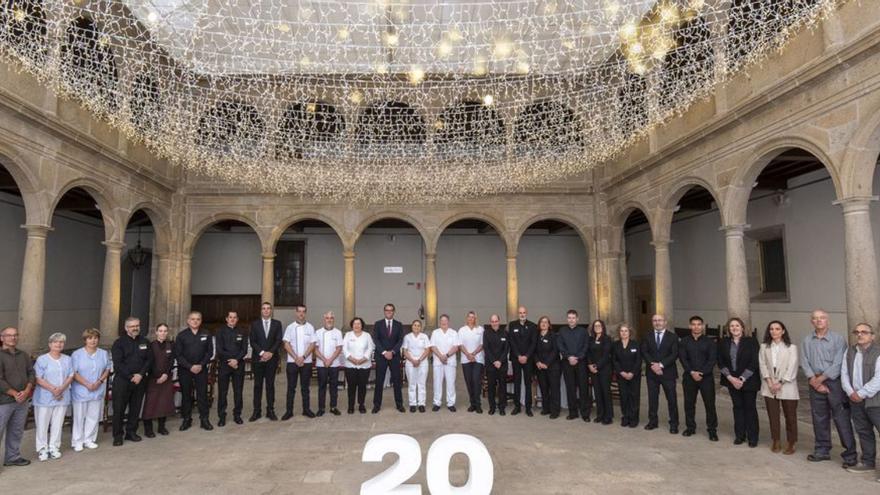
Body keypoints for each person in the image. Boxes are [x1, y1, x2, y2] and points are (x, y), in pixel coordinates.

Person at [801, 309, 857, 466]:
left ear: (828, 321)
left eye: (822, 318)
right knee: (819, 418)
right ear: (812, 321)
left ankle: (850, 455)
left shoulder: (838, 339)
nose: (819, 321)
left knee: (842, 418)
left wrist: (821, 380)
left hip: (834, 382)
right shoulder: (807, 340)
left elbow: (839, 362)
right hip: (814, 382)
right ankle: (822, 450)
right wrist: (814, 380)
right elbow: (804, 361)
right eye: (815, 318)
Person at [841, 322, 880, 480]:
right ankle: (868, 462)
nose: (860, 334)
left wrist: (861, 393)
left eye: (864, 332)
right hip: (855, 400)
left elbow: (878, 379)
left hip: (875, 401)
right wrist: (850, 392)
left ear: (872, 336)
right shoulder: (850, 351)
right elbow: (844, 373)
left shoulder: (878, 353)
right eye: (857, 332)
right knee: (864, 432)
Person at [758, 320, 799, 455]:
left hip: (786, 385)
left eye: (777, 329)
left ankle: (791, 442)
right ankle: (776, 440)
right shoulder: (764, 347)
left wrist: (780, 383)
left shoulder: (791, 347)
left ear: (783, 331)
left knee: (790, 416)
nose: (774, 331)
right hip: (769, 385)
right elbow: (762, 364)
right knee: (773, 415)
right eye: (771, 329)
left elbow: (792, 367)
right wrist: (770, 382)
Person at [719, 317, 760, 447]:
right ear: (728, 329)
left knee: (750, 408)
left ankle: (752, 437)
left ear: (742, 327)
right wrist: (730, 378)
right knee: (737, 408)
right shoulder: (723, 342)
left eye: (737, 325)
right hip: (731, 380)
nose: (734, 328)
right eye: (731, 326)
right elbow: (720, 361)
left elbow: (754, 361)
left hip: (748, 380)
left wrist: (742, 379)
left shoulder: (752, 341)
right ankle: (740, 435)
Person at [111, 316, 152, 446]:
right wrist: (130, 376)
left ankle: (131, 432)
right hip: (123, 381)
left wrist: (140, 375)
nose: (135, 328)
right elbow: (118, 364)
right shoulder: (119, 343)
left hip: (140, 381)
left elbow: (149, 360)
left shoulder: (145, 341)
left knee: (135, 408)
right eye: (132, 326)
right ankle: (118, 436)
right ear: (126, 328)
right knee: (119, 409)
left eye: (137, 326)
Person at [33, 332, 74, 461]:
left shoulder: (67, 359)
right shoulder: (42, 359)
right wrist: (53, 390)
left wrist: (61, 389)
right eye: (55, 342)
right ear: (50, 344)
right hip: (44, 397)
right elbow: (38, 378)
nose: (58, 344)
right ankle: (42, 449)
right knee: (42, 424)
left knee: (58, 423)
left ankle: (54, 447)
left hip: (62, 395)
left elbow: (71, 375)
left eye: (61, 342)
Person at [678, 315, 718, 441]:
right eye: (693, 324)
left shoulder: (710, 342)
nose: (696, 326)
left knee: (710, 404)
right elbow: (683, 359)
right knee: (689, 404)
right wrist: (691, 372)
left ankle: (712, 430)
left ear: (702, 326)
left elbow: (712, 360)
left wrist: (701, 373)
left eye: (698, 324)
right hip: (689, 377)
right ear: (690, 326)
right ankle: (690, 427)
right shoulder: (684, 341)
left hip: (706, 378)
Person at [70, 328, 110, 451]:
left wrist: (99, 382)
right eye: (90, 338)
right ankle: (77, 441)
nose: (93, 340)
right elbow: (73, 372)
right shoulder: (77, 354)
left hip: (97, 389)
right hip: (81, 390)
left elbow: (107, 369)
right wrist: (87, 384)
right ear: (85, 340)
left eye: (95, 338)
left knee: (93, 415)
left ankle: (89, 439)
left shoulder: (103, 353)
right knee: (79, 416)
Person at [0, 326, 34, 468]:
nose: (12, 338)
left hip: (23, 400)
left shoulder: (23, 355)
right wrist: (14, 393)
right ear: (2, 338)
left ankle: (12, 457)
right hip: (4, 401)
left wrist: (27, 390)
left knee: (16, 430)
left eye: (15, 335)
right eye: (9, 335)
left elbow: (31, 373)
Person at [174, 311, 214, 431]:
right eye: (192, 319)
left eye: (197, 319)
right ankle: (187, 419)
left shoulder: (206, 334)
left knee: (202, 395)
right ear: (188, 321)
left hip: (201, 370)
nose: (195, 321)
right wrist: (190, 366)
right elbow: (178, 355)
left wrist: (201, 365)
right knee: (186, 395)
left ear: (201, 321)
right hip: (185, 370)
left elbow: (209, 352)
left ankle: (204, 419)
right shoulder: (181, 335)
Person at [642, 314, 679, 433]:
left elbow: (674, 354)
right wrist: (653, 365)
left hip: (668, 373)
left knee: (672, 399)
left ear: (665, 322)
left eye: (660, 320)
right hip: (652, 373)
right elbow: (644, 351)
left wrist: (661, 365)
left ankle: (674, 424)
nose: (657, 322)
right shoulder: (647, 336)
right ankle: (653, 421)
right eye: (655, 320)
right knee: (652, 399)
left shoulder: (673, 337)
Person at [250, 301, 283, 422]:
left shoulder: (277, 324)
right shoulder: (255, 324)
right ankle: (256, 411)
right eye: (264, 308)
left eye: (268, 308)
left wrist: (270, 353)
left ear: (271, 311)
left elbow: (278, 340)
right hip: (258, 359)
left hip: (272, 359)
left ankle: (270, 410)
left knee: (270, 385)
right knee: (257, 385)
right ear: (261, 311)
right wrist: (262, 353)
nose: (266, 310)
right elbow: (253, 341)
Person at [282, 305, 317, 420]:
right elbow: (286, 344)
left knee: (305, 387)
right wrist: (296, 357)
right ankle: (289, 411)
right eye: (299, 311)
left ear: (305, 313)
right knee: (291, 388)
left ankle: (306, 410)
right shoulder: (290, 327)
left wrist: (303, 357)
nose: (301, 314)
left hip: (306, 362)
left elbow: (312, 344)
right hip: (292, 362)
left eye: (303, 312)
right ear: (296, 313)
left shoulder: (310, 327)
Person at [143, 323, 175, 437]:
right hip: (153, 379)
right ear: (156, 332)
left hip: (166, 378)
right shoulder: (151, 345)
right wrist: (157, 376)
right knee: (150, 404)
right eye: (160, 331)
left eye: (165, 331)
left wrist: (165, 374)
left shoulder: (171, 345)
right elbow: (149, 362)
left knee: (164, 403)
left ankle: (162, 427)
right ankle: (148, 429)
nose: (163, 333)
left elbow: (171, 361)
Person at [216, 311, 247, 426]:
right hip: (224, 365)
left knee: (238, 392)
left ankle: (237, 415)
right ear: (226, 319)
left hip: (238, 365)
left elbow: (244, 350)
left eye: (235, 317)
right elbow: (219, 349)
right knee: (222, 392)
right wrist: (230, 360)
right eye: (230, 317)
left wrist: (236, 360)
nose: (232, 319)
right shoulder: (220, 331)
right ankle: (222, 416)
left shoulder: (242, 331)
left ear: (237, 319)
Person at [558, 309, 589, 421]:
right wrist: (568, 357)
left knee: (583, 388)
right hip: (567, 363)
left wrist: (578, 357)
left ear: (577, 319)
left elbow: (586, 346)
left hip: (581, 363)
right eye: (569, 318)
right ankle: (573, 412)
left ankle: (585, 413)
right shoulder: (562, 331)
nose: (571, 320)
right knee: (570, 388)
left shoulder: (583, 331)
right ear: (567, 319)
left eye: (573, 318)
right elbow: (560, 346)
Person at [373, 303, 405, 413]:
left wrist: (392, 351)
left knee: (397, 381)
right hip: (381, 356)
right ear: (384, 311)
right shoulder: (378, 324)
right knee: (379, 381)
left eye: (391, 310)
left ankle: (399, 404)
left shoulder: (399, 324)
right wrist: (384, 352)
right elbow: (376, 340)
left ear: (394, 312)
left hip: (394, 356)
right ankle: (376, 405)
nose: (389, 312)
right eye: (387, 310)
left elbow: (400, 340)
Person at [508, 306, 537, 416]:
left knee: (527, 383)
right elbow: (511, 342)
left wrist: (526, 356)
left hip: (528, 360)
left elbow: (533, 343)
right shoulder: (512, 325)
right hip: (516, 358)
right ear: (517, 314)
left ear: (527, 313)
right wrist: (519, 355)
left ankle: (528, 407)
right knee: (517, 382)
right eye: (520, 313)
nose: (522, 314)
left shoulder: (533, 326)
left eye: (524, 312)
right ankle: (517, 406)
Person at [315, 311, 344, 416]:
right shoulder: (317, 332)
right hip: (321, 364)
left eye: (331, 318)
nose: (329, 320)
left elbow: (339, 348)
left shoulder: (338, 332)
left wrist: (330, 360)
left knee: (334, 386)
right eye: (327, 318)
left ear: (334, 319)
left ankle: (333, 407)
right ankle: (321, 408)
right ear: (324, 319)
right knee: (322, 386)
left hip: (334, 364)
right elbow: (315, 349)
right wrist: (324, 360)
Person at [343, 317, 374, 414]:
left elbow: (370, 348)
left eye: (359, 324)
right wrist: (352, 359)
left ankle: (361, 405)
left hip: (364, 365)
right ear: (352, 325)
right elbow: (344, 349)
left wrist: (363, 359)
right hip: (350, 365)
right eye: (355, 324)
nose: (357, 325)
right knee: (351, 387)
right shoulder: (348, 335)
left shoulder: (367, 335)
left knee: (362, 386)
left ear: (362, 325)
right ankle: (351, 406)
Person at [612, 323, 641, 428]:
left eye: (626, 331)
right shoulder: (615, 345)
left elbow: (638, 360)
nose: (623, 333)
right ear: (619, 333)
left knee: (634, 396)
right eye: (621, 331)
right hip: (621, 375)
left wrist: (632, 373)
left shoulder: (636, 344)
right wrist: (621, 372)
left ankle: (634, 418)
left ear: (630, 333)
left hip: (634, 375)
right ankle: (625, 417)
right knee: (624, 396)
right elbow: (614, 360)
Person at [430, 314, 459, 412]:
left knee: (450, 383)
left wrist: (446, 356)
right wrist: (441, 357)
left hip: (450, 362)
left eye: (445, 320)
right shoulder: (435, 332)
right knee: (437, 383)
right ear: (439, 322)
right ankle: (437, 403)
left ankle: (451, 403)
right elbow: (433, 346)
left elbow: (456, 347)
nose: (443, 322)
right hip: (438, 362)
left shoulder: (454, 333)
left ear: (448, 321)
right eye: (442, 320)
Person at [534, 316, 561, 419]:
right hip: (540, 367)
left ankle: (555, 411)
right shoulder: (536, 336)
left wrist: (547, 363)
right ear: (539, 324)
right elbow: (534, 351)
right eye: (542, 322)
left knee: (554, 389)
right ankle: (546, 408)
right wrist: (537, 362)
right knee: (544, 389)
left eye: (546, 322)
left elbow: (555, 351)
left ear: (549, 325)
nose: (544, 324)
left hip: (553, 367)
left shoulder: (554, 336)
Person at [588, 319, 613, 425]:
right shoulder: (591, 339)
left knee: (605, 392)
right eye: (595, 326)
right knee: (597, 393)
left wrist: (596, 366)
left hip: (604, 370)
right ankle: (600, 414)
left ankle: (608, 416)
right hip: (593, 370)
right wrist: (590, 365)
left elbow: (606, 355)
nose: (597, 327)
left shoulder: (607, 339)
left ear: (603, 327)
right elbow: (588, 353)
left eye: (599, 325)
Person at [458, 311, 484, 414]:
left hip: (478, 359)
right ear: (466, 318)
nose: (471, 319)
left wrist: (473, 354)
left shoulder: (480, 329)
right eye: (469, 317)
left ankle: (478, 404)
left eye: (473, 317)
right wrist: (468, 355)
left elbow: (482, 344)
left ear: (475, 319)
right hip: (466, 360)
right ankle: (472, 404)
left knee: (476, 381)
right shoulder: (462, 330)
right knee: (469, 382)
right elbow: (460, 345)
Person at [403, 320, 431, 412]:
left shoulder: (424, 337)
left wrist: (419, 360)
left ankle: (421, 404)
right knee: (412, 384)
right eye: (415, 325)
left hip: (422, 363)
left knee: (421, 384)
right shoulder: (407, 337)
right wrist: (412, 360)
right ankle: (412, 404)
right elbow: (405, 351)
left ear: (421, 327)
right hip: (410, 363)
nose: (416, 327)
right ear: (412, 326)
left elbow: (427, 350)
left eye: (418, 325)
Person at [483, 314, 509, 416]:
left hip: (502, 365)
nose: (494, 323)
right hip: (490, 365)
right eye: (492, 321)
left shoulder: (505, 333)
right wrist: (494, 361)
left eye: (496, 321)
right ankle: (492, 407)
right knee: (491, 387)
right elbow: (486, 348)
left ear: (499, 321)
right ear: (490, 323)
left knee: (502, 387)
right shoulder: (486, 333)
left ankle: (502, 407)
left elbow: (506, 349)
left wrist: (500, 361)